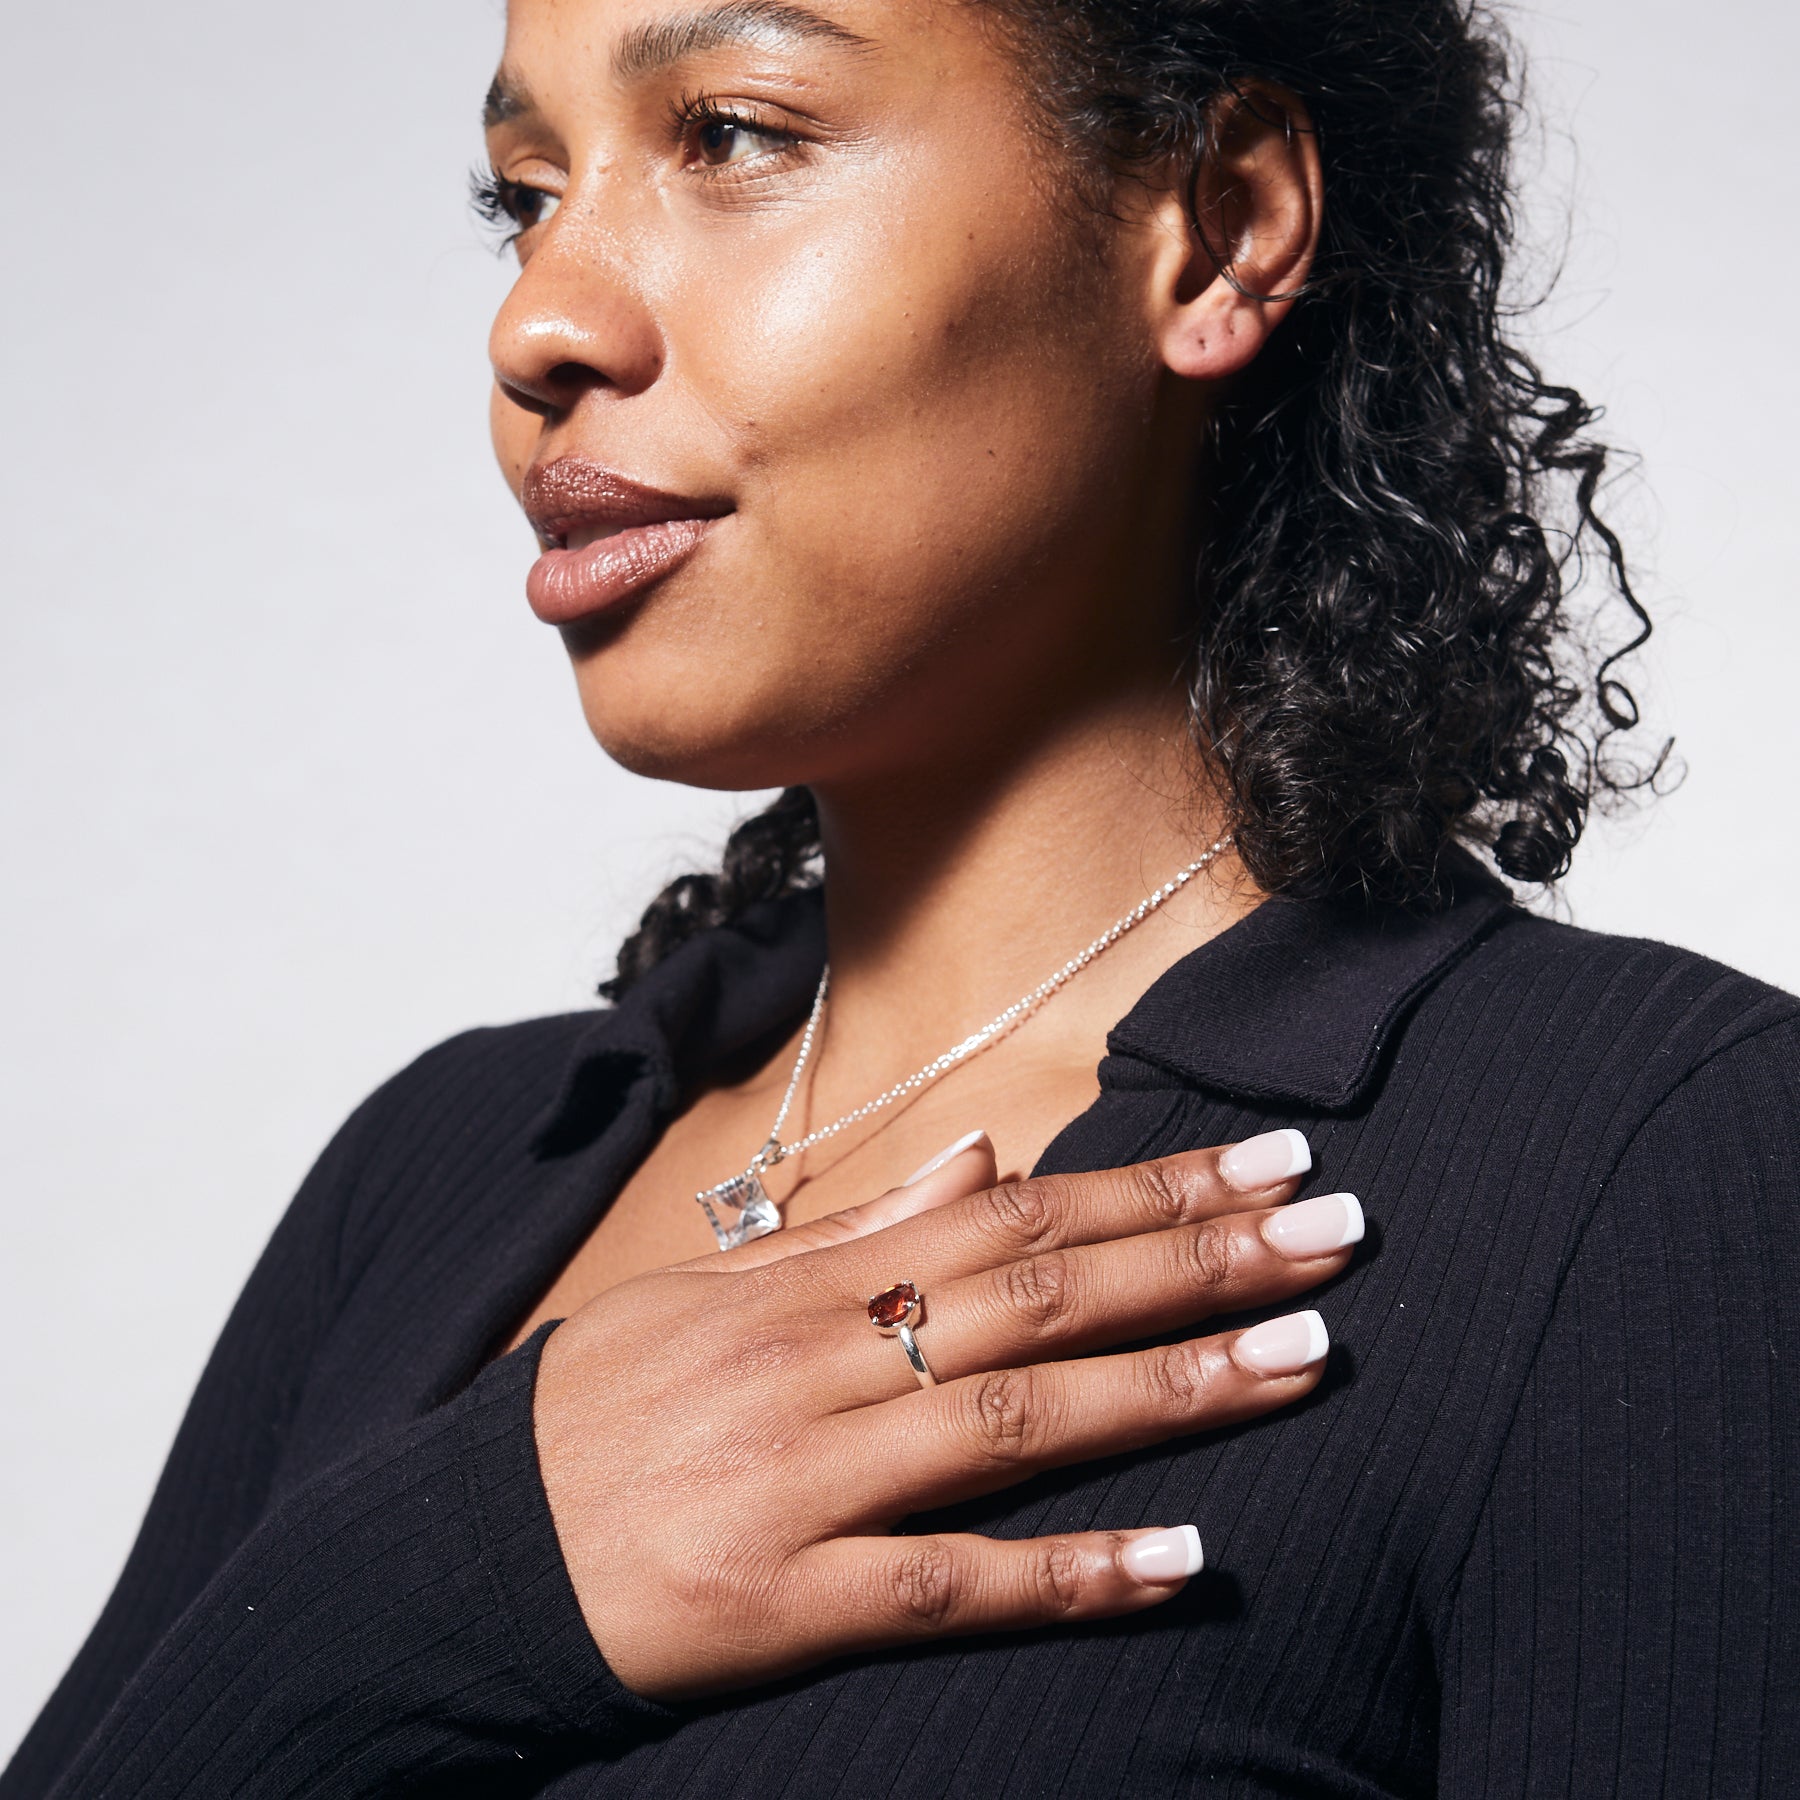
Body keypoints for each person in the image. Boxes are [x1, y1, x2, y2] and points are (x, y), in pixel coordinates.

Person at [5, 0, 1795, 1793]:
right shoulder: (447, 1163)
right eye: (524, 193)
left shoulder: (1652, 1168)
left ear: (1222, 222)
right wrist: (445, 1574)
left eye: (733, 135)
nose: (537, 321)